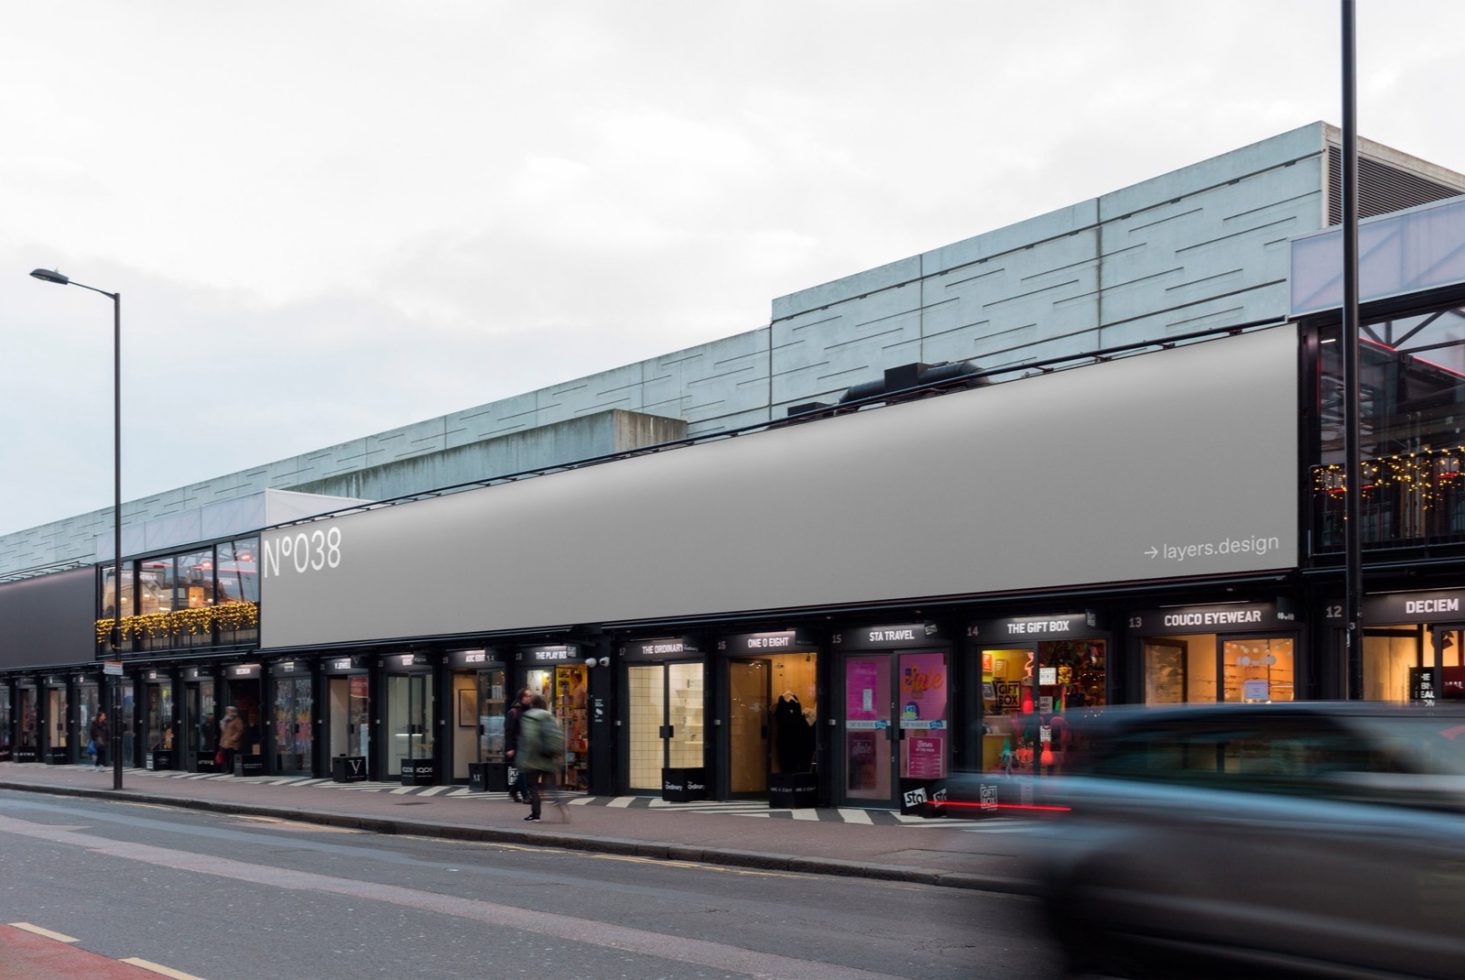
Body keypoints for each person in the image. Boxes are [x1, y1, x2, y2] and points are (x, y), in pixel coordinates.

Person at [518, 693, 568, 822]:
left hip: (535, 757)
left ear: (532, 704)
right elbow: (559, 736)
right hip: (549, 756)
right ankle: (562, 806)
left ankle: (536, 815)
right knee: (551, 785)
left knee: (533, 786)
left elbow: (530, 738)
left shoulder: (530, 716)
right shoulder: (550, 717)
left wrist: (525, 757)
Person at [503, 687, 532, 804]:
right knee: (523, 770)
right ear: (521, 697)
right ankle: (526, 795)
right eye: (527, 696)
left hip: (528, 746)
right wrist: (509, 747)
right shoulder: (513, 712)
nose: (529, 698)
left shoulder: (530, 711)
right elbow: (508, 731)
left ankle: (513, 790)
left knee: (525, 771)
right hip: (517, 746)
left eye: (530, 696)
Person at [219, 705, 244, 773]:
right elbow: (224, 731)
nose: (227, 712)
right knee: (226, 756)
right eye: (227, 711)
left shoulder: (237, 720)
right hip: (225, 742)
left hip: (233, 743)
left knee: (231, 756)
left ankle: (231, 769)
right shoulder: (226, 720)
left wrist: (234, 738)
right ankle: (228, 768)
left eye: (229, 711)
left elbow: (240, 730)